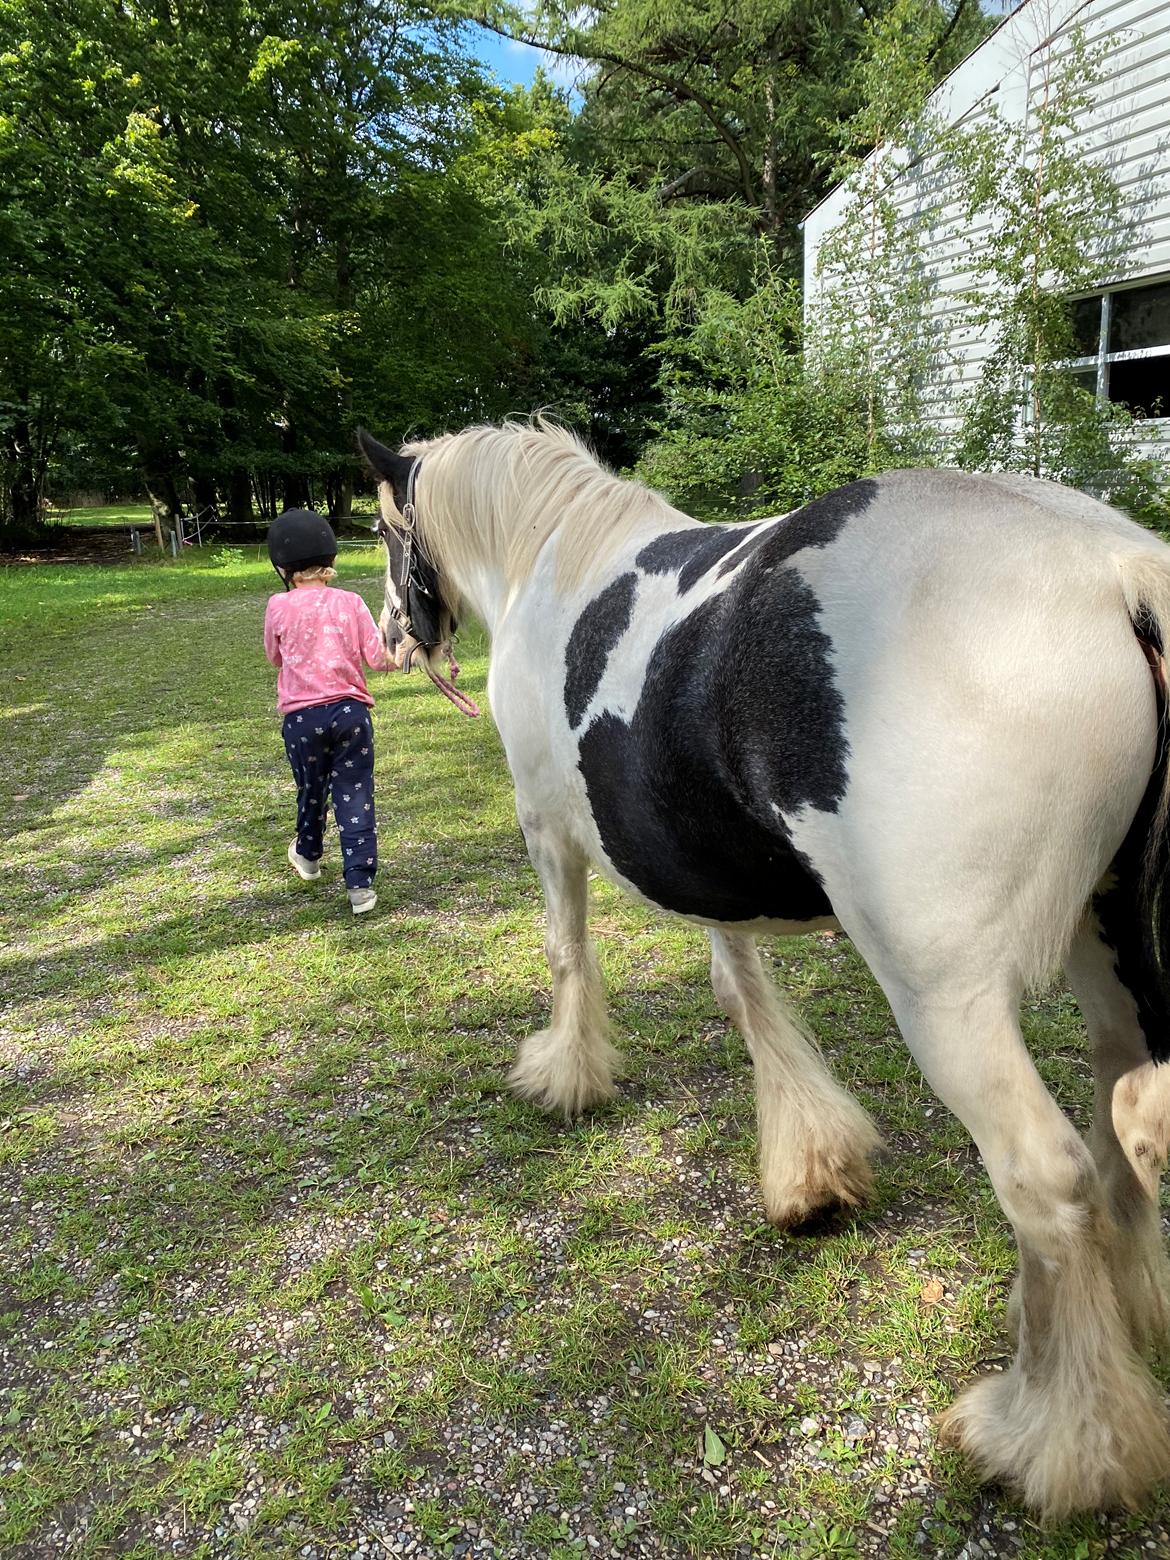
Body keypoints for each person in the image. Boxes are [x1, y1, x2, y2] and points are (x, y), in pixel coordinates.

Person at [264, 509, 388, 914]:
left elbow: (273, 657)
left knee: (311, 790)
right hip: (351, 714)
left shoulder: (278, 606)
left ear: (282, 567)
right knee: (355, 794)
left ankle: (309, 854)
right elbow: (377, 656)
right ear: (331, 559)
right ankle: (360, 886)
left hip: (302, 719)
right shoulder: (351, 603)